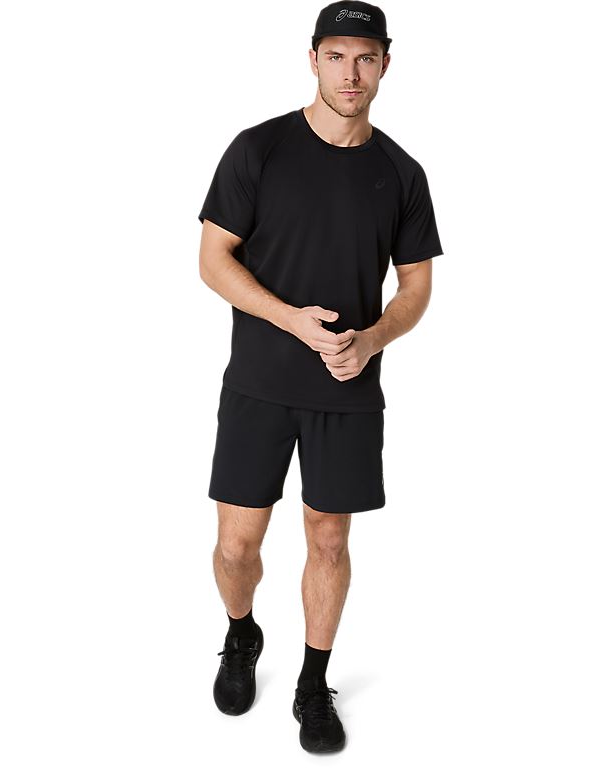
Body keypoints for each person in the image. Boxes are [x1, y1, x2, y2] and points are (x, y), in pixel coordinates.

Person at [197, 1, 443, 754]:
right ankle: (242, 634)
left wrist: (371, 340)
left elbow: (416, 287)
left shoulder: (401, 173)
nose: (350, 73)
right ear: (313, 60)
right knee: (237, 548)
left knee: (329, 540)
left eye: (365, 58)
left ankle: (312, 682)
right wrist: (289, 320)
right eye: (336, 56)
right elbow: (212, 261)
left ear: (386, 65)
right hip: (258, 383)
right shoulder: (259, 149)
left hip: (348, 386)